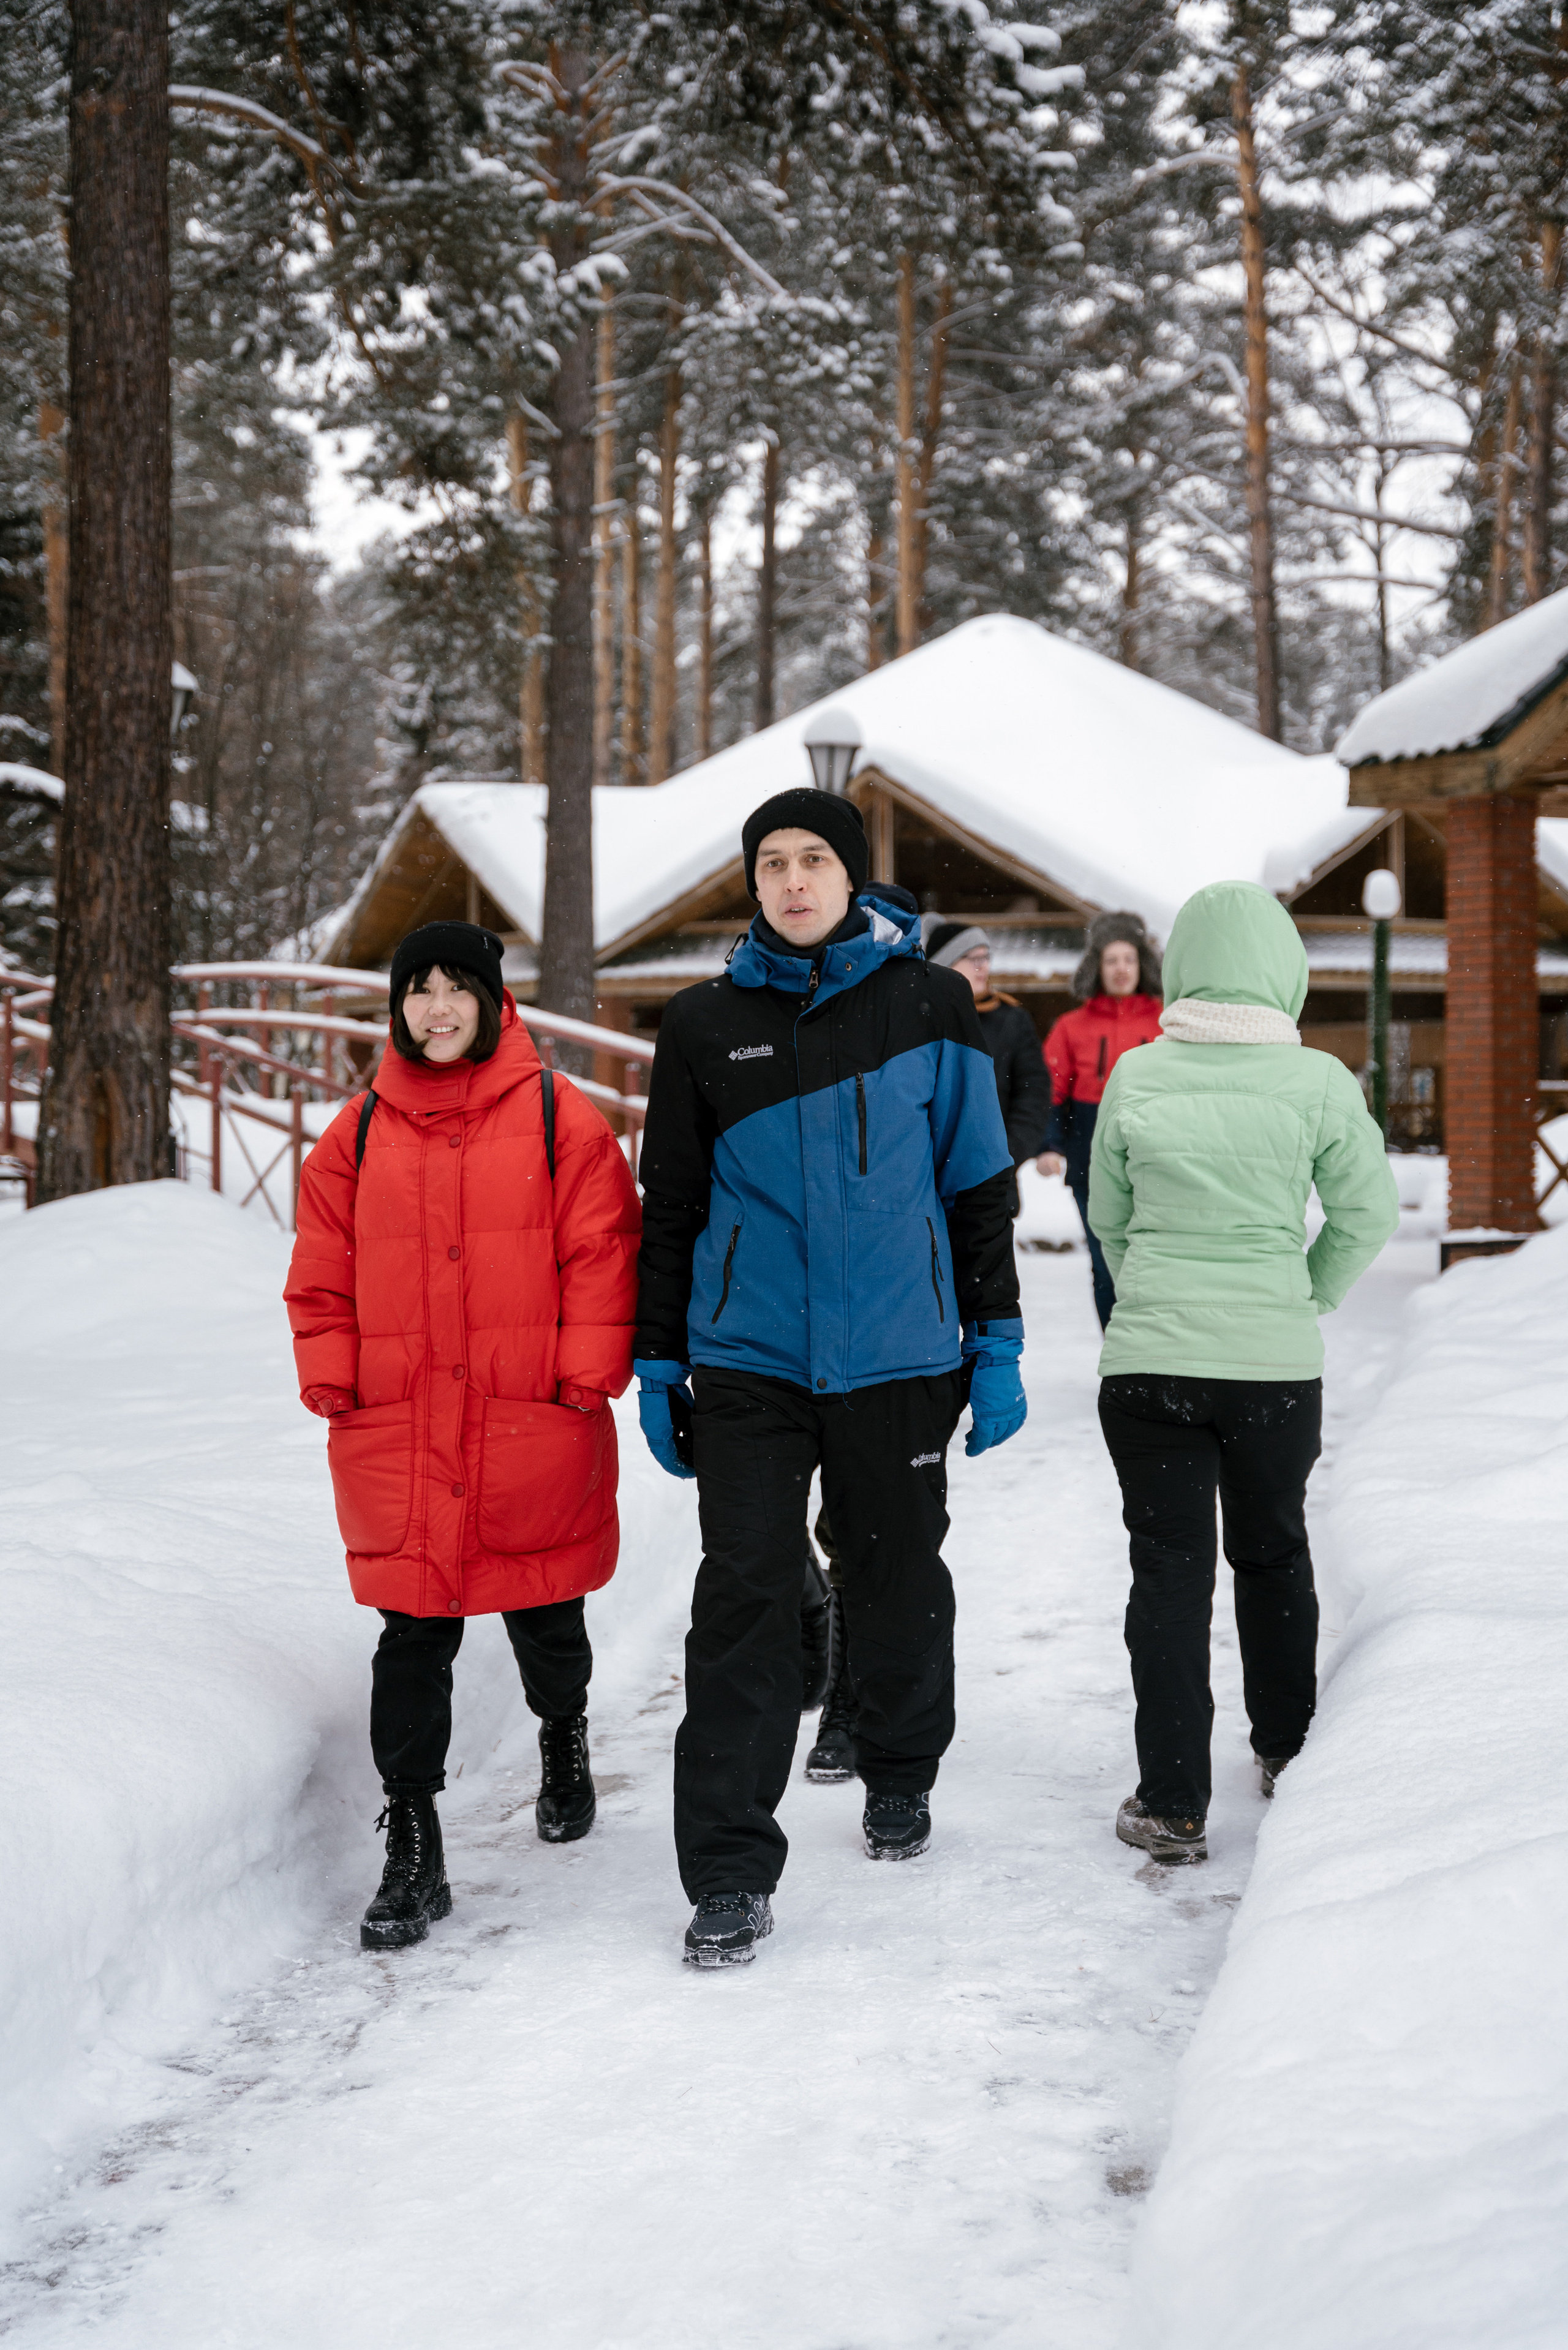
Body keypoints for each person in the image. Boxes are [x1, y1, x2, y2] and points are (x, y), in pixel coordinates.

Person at [633, 788, 1027, 1966]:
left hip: (902, 1353)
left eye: (814, 860)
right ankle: (729, 1870)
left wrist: (995, 1338)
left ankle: (900, 1768)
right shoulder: (702, 1024)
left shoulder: (933, 1003)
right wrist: (659, 1355)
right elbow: (675, 1205)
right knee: (744, 1599)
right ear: (751, 885)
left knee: (893, 1571)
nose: (793, 880)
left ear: (851, 877)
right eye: (771, 863)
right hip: (750, 1358)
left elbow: (978, 1188)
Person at [284, 919, 642, 1950]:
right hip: (402, 1424)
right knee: (413, 1636)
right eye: (418, 989)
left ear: (492, 1001)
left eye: (456, 988)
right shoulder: (354, 1134)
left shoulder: (553, 1117)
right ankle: (415, 1843)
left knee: (547, 1617)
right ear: (396, 1007)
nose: (436, 1008)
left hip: (525, 1412)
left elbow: (602, 1248)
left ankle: (563, 1736)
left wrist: (579, 1380)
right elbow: (319, 1277)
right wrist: (337, 1381)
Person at [1088, 880, 1398, 1867]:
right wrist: (1302, 1294)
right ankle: (1287, 1749)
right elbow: (1367, 1214)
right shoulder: (1317, 1081)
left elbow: (1108, 1215)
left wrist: (1155, 1286)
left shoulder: (1138, 1074)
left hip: (1151, 1366)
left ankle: (1175, 1801)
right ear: (1284, 967)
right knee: (1271, 1555)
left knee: (1168, 1575)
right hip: (1271, 1371)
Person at [1038, 912, 1163, 1329]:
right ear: (1098, 967)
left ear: (1143, 964)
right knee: (1106, 1262)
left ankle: (1160, 1356)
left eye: (1129, 958)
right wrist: (1050, 1145)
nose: (1122, 968)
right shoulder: (1071, 1027)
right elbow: (1050, 1092)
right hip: (1092, 1162)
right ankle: (1122, 1359)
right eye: (1112, 960)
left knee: (1156, 1265)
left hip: (1159, 1162)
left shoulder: (1166, 1020)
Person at [924, 919, 1052, 1210]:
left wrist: (1005, 1153)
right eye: (973, 958)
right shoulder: (919, 1019)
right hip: (926, 1182)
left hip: (995, 1182)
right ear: (944, 964)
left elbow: (1034, 1094)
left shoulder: (1012, 1019)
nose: (983, 966)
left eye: (986, 957)